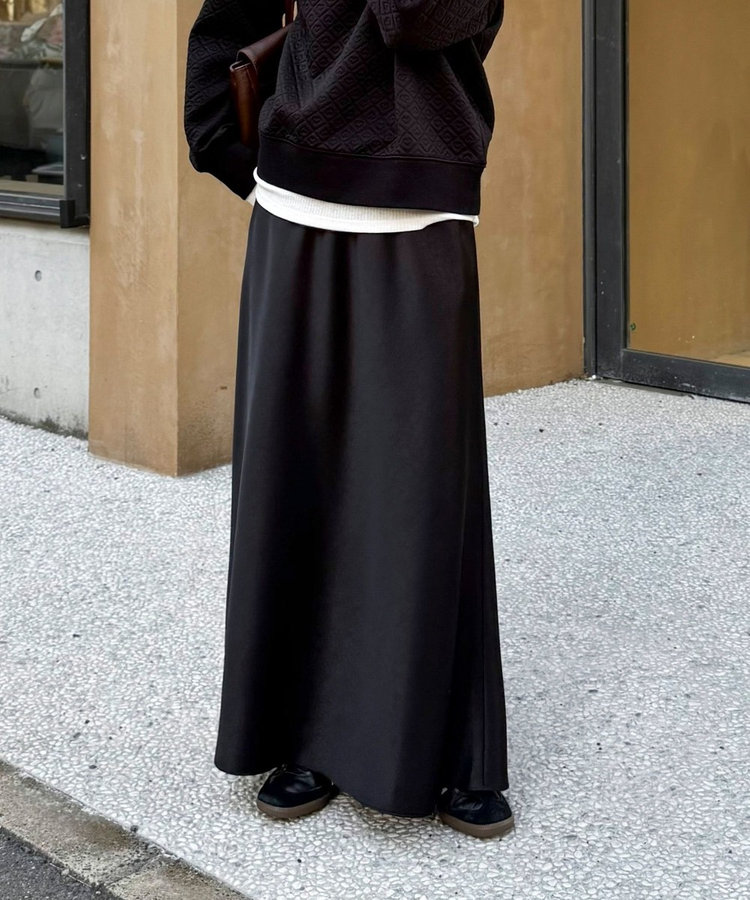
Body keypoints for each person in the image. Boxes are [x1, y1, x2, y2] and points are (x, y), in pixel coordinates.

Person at [184, 0, 513, 840]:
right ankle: (302, 738)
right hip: (296, 204)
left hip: (420, 202)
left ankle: (454, 752)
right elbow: (227, 22)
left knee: (421, 490)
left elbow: (418, 20)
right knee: (296, 480)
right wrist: (235, 144)